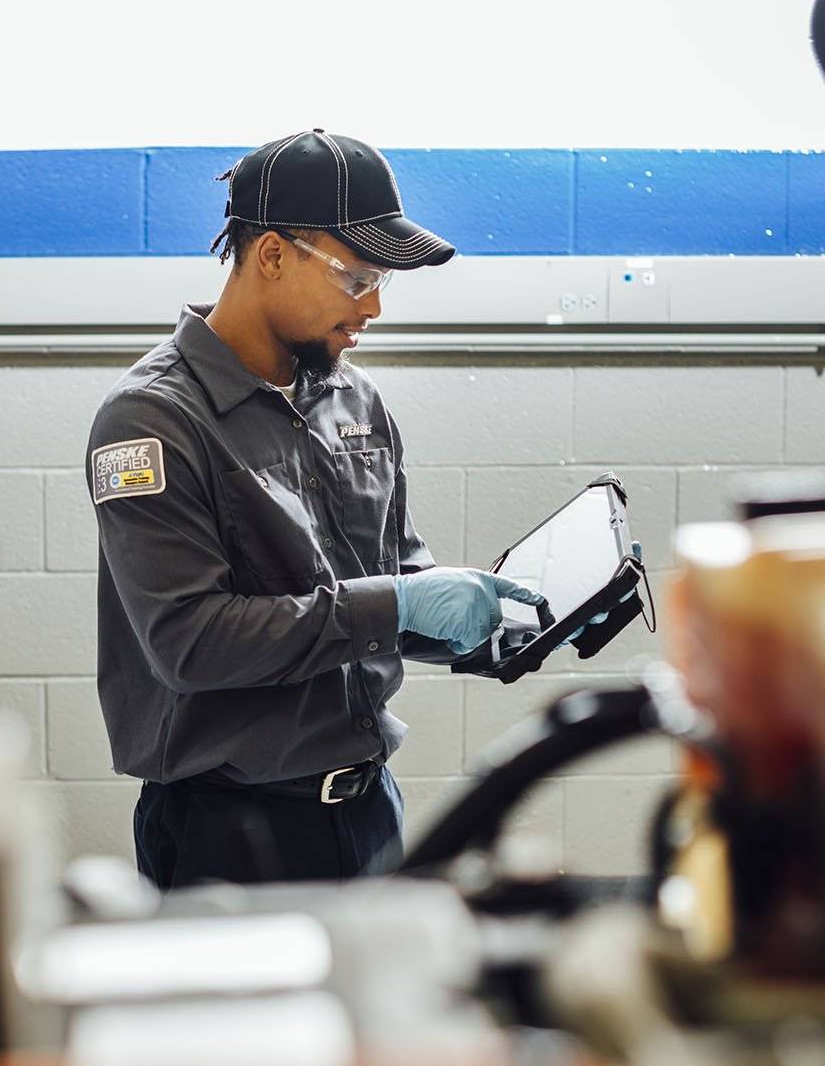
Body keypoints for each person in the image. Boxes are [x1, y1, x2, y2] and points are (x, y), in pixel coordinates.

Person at [87, 128, 544, 889]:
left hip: (367, 814)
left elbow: (394, 582)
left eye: (382, 285)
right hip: (228, 838)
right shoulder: (152, 420)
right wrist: (397, 601)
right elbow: (191, 642)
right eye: (357, 277)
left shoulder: (354, 400)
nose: (372, 309)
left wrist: (497, 630)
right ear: (271, 255)